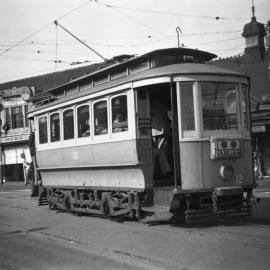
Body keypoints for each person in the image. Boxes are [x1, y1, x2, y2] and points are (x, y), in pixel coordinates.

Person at [151, 99, 171, 177]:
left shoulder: (150, 107)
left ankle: (155, 171)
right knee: (161, 152)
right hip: (164, 131)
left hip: (154, 132)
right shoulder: (163, 105)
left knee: (157, 152)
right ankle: (165, 171)